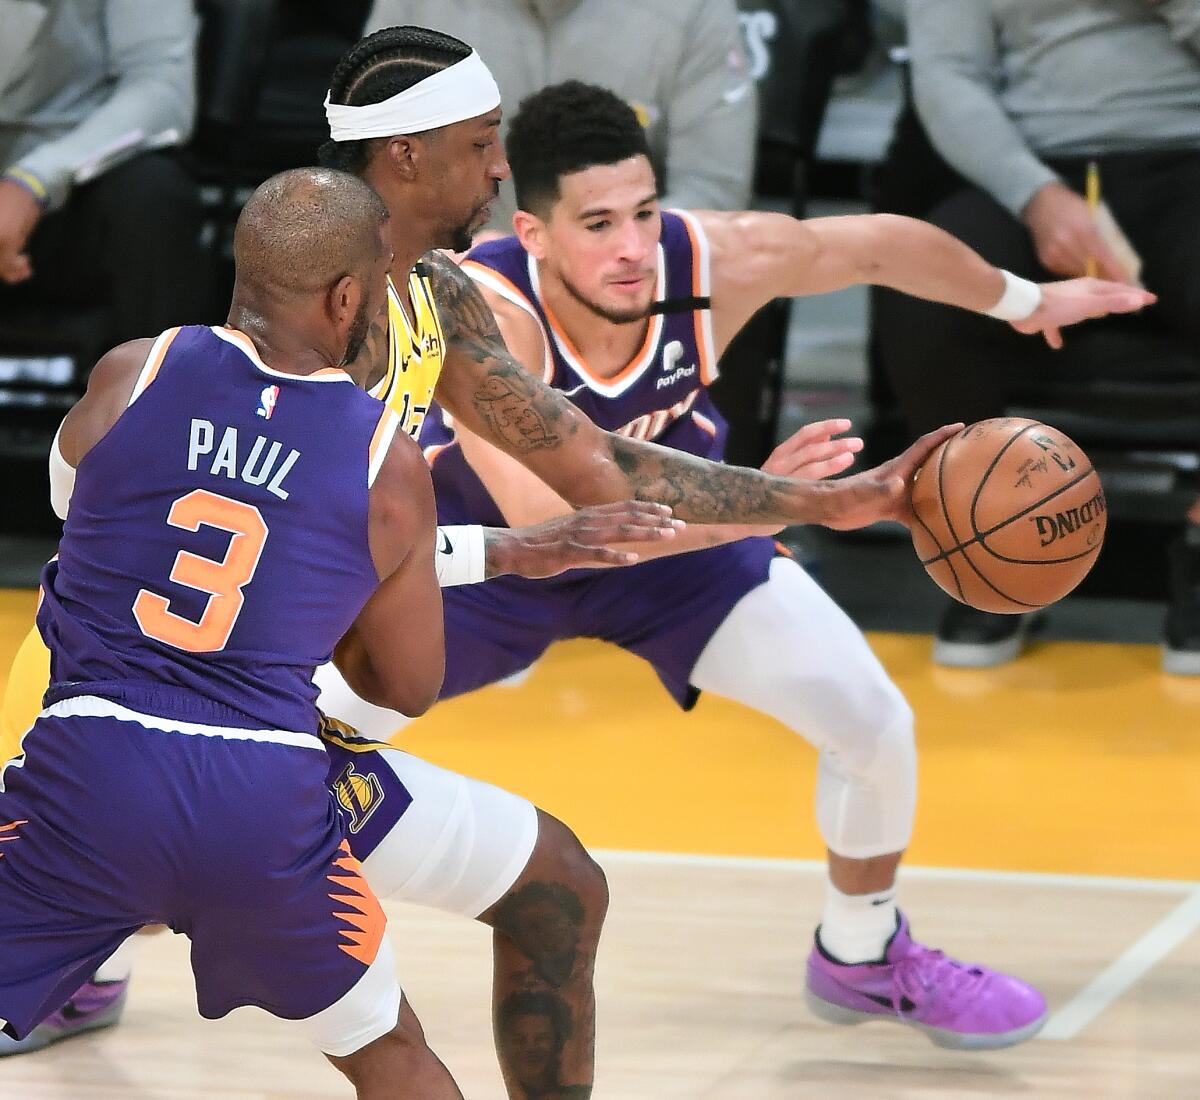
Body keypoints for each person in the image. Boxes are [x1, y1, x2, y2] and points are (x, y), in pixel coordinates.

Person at [0, 25, 1145, 1079]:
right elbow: (367, 594)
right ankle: (105, 918)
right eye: (480, 146)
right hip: (138, 693)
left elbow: (599, 466)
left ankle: (113, 909)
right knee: (348, 952)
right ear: (405, 158)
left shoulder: (429, 296)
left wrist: (832, 500)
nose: (499, 171)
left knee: (546, 889)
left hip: (258, 671)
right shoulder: (319, 327)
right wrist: (509, 554)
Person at [329, 79, 1152, 1051]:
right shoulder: (489, 315)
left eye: (644, 209)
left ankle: (861, 950)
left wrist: (1023, 299)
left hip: (681, 553)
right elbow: (558, 522)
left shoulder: (713, 257)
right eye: (597, 223)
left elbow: (882, 241)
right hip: (503, 557)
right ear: (536, 233)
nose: (634, 245)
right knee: (271, 741)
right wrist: (770, 501)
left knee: (872, 718)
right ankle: (106, 932)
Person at [0, 165, 470, 1097]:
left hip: (89, 772)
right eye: (380, 280)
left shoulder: (135, 372)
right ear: (346, 296)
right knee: (390, 1053)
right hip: (260, 799)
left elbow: (73, 506)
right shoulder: (387, 456)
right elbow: (409, 685)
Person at [874, 0, 1200, 671]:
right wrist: (1035, 194)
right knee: (923, 291)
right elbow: (947, 76)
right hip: (1029, 166)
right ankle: (992, 549)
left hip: (1185, 152)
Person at [362, 0, 756, 236]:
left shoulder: (692, 9)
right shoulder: (412, 5)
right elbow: (370, 170)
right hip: (449, 287)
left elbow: (714, 191)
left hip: (632, 290)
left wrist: (604, 251)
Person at [0, 0, 211, 340]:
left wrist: (34, 180)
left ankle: (160, 388)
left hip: (73, 180)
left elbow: (161, 90)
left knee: (153, 194)